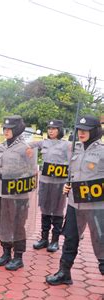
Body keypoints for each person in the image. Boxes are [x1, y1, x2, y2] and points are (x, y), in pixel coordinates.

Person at [46, 115, 104, 285]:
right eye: (79, 129)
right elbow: (73, 174)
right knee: (70, 238)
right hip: (74, 202)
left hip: (96, 206)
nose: (81, 133)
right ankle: (64, 273)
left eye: (86, 130)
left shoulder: (102, 151)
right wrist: (68, 186)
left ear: (95, 131)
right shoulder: (76, 148)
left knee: (101, 241)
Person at [0, 115, 38, 271]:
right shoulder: (2, 147)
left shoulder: (25, 148)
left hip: (18, 195)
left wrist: (3, 174)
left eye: (9, 129)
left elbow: (30, 172)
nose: (6, 131)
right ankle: (5, 252)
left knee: (17, 225)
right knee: (3, 222)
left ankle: (18, 256)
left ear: (17, 130)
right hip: (1, 192)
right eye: (5, 128)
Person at [27, 120, 70, 252]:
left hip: (59, 184)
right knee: (45, 209)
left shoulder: (67, 145)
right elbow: (27, 144)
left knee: (57, 211)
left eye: (54, 128)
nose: (51, 131)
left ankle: (55, 240)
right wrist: (28, 148)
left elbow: (71, 163)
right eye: (49, 128)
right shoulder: (43, 142)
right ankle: (44, 238)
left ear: (60, 130)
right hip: (45, 182)